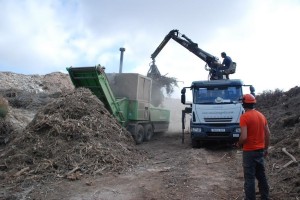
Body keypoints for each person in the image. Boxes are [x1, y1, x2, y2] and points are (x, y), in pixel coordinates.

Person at [237, 94, 270, 200]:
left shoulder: (244, 117)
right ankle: (265, 197)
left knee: (250, 178)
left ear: (243, 104)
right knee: (261, 175)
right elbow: (268, 133)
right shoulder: (261, 115)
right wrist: (266, 148)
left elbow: (244, 137)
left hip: (249, 152)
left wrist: (239, 143)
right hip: (260, 150)